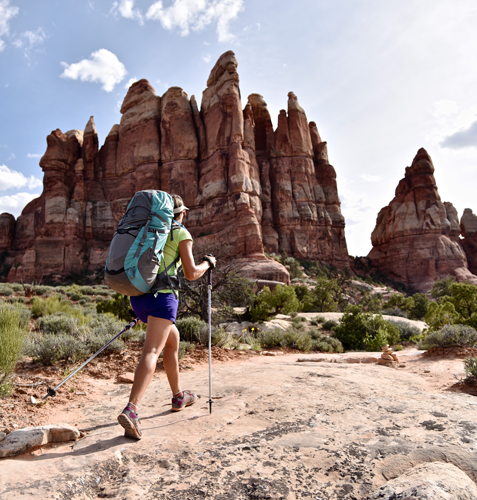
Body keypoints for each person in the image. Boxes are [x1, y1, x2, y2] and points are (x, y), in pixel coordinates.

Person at [117, 194, 216, 440]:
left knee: (173, 340)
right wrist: (208, 264)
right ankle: (132, 409)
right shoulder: (181, 233)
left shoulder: (146, 230)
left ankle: (178, 396)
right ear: (181, 213)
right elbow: (192, 273)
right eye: (184, 213)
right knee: (151, 352)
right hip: (162, 300)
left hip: (138, 298)